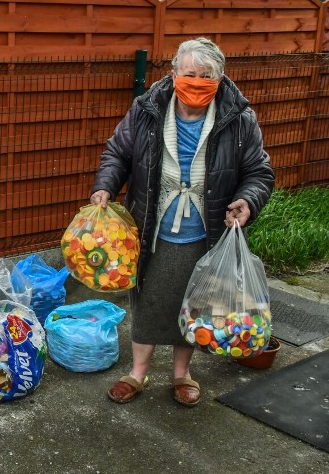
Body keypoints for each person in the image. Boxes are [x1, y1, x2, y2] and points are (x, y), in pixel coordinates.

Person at [89, 37, 274, 407]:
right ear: (173, 74)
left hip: (205, 229)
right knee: (148, 303)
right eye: (189, 74)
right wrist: (105, 187)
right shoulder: (147, 109)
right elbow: (118, 152)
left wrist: (248, 201)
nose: (196, 81)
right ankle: (137, 373)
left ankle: (181, 375)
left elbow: (259, 172)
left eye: (206, 76)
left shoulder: (238, 118)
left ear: (220, 80)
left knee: (191, 304)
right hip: (152, 225)